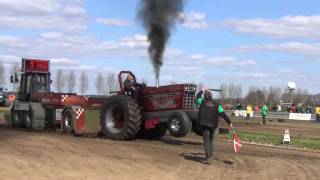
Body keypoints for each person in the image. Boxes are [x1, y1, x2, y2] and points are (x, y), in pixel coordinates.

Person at [198, 90, 233, 164]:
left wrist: (202, 90)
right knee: (210, 140)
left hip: (205, 124)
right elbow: (223, 114)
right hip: (213, 125)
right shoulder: (217, 105)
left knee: (206, 141)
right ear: (211, 96)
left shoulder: (202, 102)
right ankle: (210, 155)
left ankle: (208, 157)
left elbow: (198, 96)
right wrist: (229, 122)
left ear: (204, 96)